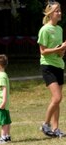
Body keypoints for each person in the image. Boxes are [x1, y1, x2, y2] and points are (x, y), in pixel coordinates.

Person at [38, 2, 66, 137]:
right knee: (57, 97)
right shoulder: (44, 30)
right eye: (56, 11)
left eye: (60, 11)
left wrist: (61, 52)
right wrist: (59, 49)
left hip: (59, 65)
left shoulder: (59, 29)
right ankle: (46, 124)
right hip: (48, 66)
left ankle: (56, 129)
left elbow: (59, 51)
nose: (59, 13)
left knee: (57, 100)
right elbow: (43, 51)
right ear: (50, 14)